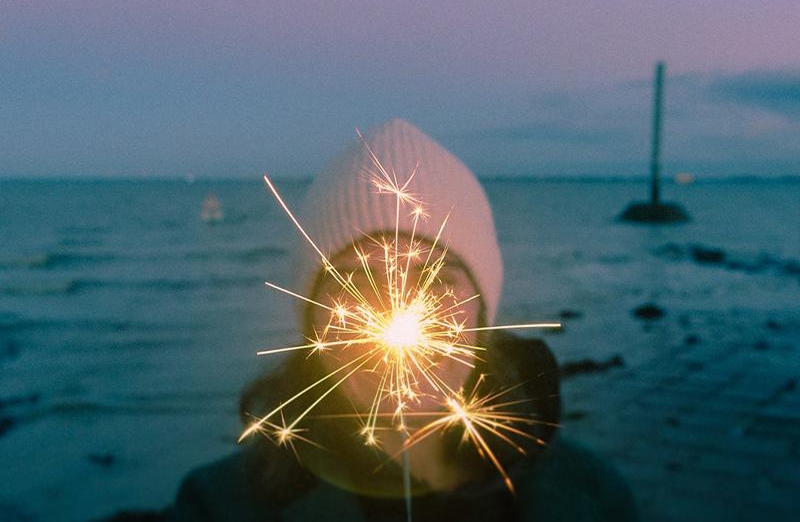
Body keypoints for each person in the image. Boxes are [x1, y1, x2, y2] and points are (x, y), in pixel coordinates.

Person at [165, 119, 637, 521]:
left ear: (480, 306)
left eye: (434, 280)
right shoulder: (221, 505)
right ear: (314, 321)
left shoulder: (588, 494)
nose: (398, 311)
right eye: (358, 281)